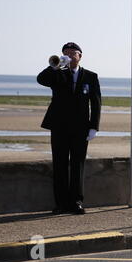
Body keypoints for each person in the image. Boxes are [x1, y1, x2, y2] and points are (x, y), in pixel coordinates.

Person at [37, 42, 101, 215]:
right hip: (59, 126)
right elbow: (41, 79)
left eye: (73, 53)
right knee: (59, 164)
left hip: (81, 128)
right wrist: (56, 65)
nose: (70, 55)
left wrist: (93, 127)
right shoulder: (58, 73)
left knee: (77, 165)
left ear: (80, 56)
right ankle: (61, 204)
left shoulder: (91, 76)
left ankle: (76, 202)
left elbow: (96, 103)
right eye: (66, 53)